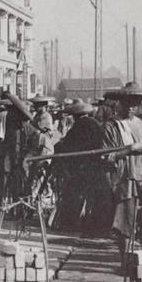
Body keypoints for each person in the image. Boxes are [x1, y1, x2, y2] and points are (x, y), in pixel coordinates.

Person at [101, 83, 142, 265]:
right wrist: (129, 149)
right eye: (127, 104)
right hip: (124, 175)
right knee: (125, 216)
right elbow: (107, 156)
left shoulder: (140, 124)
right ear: (119, 104)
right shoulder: (111, 126)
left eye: (134, 105)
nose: (130, 109)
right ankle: (125, 259)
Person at [52, 99, 111, 233]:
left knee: (74, 193)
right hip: (95, 164)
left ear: (75, 116)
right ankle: (90, 223)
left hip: (82, 165)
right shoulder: (95, 124)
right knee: (92, 196)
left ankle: (71, 223)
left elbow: (70, 145)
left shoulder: (79, 126)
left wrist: (60, 146)